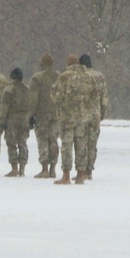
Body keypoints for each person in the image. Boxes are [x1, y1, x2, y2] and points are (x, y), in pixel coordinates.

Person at [50, 55, 96, 185]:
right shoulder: (88, 76)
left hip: (67, 117)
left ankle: (66, 175)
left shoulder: (64, 76)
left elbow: (56, 97)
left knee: (67, 145)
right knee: (81, 145)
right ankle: (81, 175)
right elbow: (94, 96)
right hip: (83, 116)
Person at [28, 54, 60, 179]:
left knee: (42, 140)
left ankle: (44, 168)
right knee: (53, 140)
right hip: (55, 113)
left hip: (42, 113)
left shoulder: (37, 78)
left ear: (41, 64)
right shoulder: (58, 77)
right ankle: (53, 168)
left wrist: (31, 114)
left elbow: (33, 98)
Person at [79, 53, 108, 180]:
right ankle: (89, 170)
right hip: (96, 114)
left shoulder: (80, 77)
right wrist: (102, 113)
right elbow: (104, 98)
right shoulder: (100, 76)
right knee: (92, 143)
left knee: (82, 142)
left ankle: (82, 170)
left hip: (83, 113)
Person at [0, 67, 32, 177]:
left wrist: (2, 121)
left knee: (12, 143)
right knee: (23, 143)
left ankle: (14, 168)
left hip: (12, 119)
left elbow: (4, 107)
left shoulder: (8, 90)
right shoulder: (27, 89)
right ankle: (22, 168)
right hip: (24, 118)